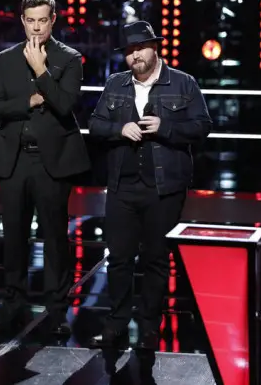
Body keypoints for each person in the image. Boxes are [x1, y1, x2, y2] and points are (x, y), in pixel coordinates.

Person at [88, 21, 212, 352]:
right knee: (119, 259)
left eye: (141, 48)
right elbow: (95, 124)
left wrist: (166, 126)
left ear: (155, 48)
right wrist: (119, 129)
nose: (135, 55)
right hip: (122, 187)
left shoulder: (183, 83)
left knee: (156, 259)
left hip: (164, 188)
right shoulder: (115, 84)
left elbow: (202, 126)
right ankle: (115, 325)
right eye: (129, 51)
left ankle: (148, 328)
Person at [0, 0, 91, 336]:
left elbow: (65, 104)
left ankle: (56, 311)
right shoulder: (5, 58)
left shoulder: (70, 58)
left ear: (53, 20)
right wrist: (28, 101)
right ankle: (13, 305)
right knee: (13, 238)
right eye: (30, 20)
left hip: (52, 163)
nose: (36, 27)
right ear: (22, 21)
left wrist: (41, 71)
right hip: (14, 160)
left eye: (42, 20)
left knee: (55, 239)